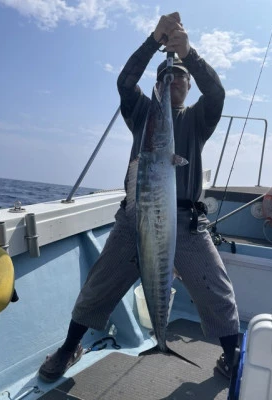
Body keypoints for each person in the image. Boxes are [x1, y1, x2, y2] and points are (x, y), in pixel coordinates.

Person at [39, 12, 239, 382]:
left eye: (180, 75)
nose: (173, 79)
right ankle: (69, 349)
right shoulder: (144, 112)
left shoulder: (198, 119)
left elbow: (218, 93)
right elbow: (125, 81)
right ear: (158, 86)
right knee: (99, 286)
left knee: (217, 292)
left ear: (188, 84)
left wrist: (188, 53)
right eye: (166, 75)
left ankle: (232, 357)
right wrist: (153, 40)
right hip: (136, 216)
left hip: (186, 222)